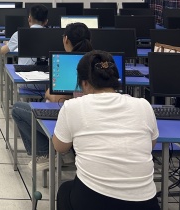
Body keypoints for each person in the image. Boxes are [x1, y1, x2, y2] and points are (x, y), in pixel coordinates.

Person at [54, 50, 159, 210]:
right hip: (146, 204)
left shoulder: (72, 107)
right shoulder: (144, 105)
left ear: (84, 83)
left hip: (96, 200)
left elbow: (60, 147)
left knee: (64, 190)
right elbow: (150, 145)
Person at [11, 22, 93, 167]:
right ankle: (64, 152)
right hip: (90, 118)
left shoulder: (67, 61)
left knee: (18, 109)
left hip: (73, 117)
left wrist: (48, 93)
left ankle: (47, 154)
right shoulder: (99, 60)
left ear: (65, 39)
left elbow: (57, 98)